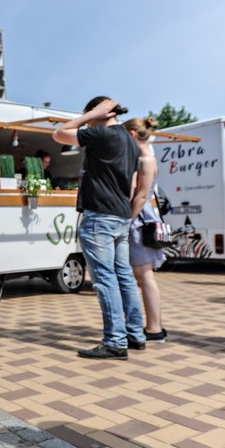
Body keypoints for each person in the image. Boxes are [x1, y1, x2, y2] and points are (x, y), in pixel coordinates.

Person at [53, 96, 147, 360]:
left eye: (92, 113)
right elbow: (131, 186)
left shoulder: (101, 135)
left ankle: (115, 341)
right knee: (124, 276)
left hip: (100, 217)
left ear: (101, 111)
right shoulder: (130, 141)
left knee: (105, 280)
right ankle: (134, 335)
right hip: (120, 214)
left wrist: (90, 114)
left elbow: (59, 134)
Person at [124, 116, 168, 343]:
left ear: (131, 134)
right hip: (144, 221)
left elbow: (140, 195)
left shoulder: (144, 159)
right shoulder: (147, 156)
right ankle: (154, 325)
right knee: (143, 275)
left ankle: (154, 327)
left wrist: (126, 221)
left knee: (144, 275)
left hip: (139, 222)